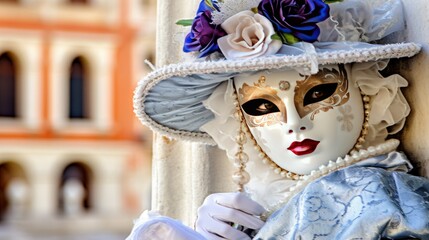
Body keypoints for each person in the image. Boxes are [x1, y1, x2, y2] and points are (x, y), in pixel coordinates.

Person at [128, 0, 429, 239]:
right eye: (261, 107)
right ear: (238, 119)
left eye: (318, 93)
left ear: (368, 90)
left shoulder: (381, 201)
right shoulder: (278, 206)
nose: (294, 122)